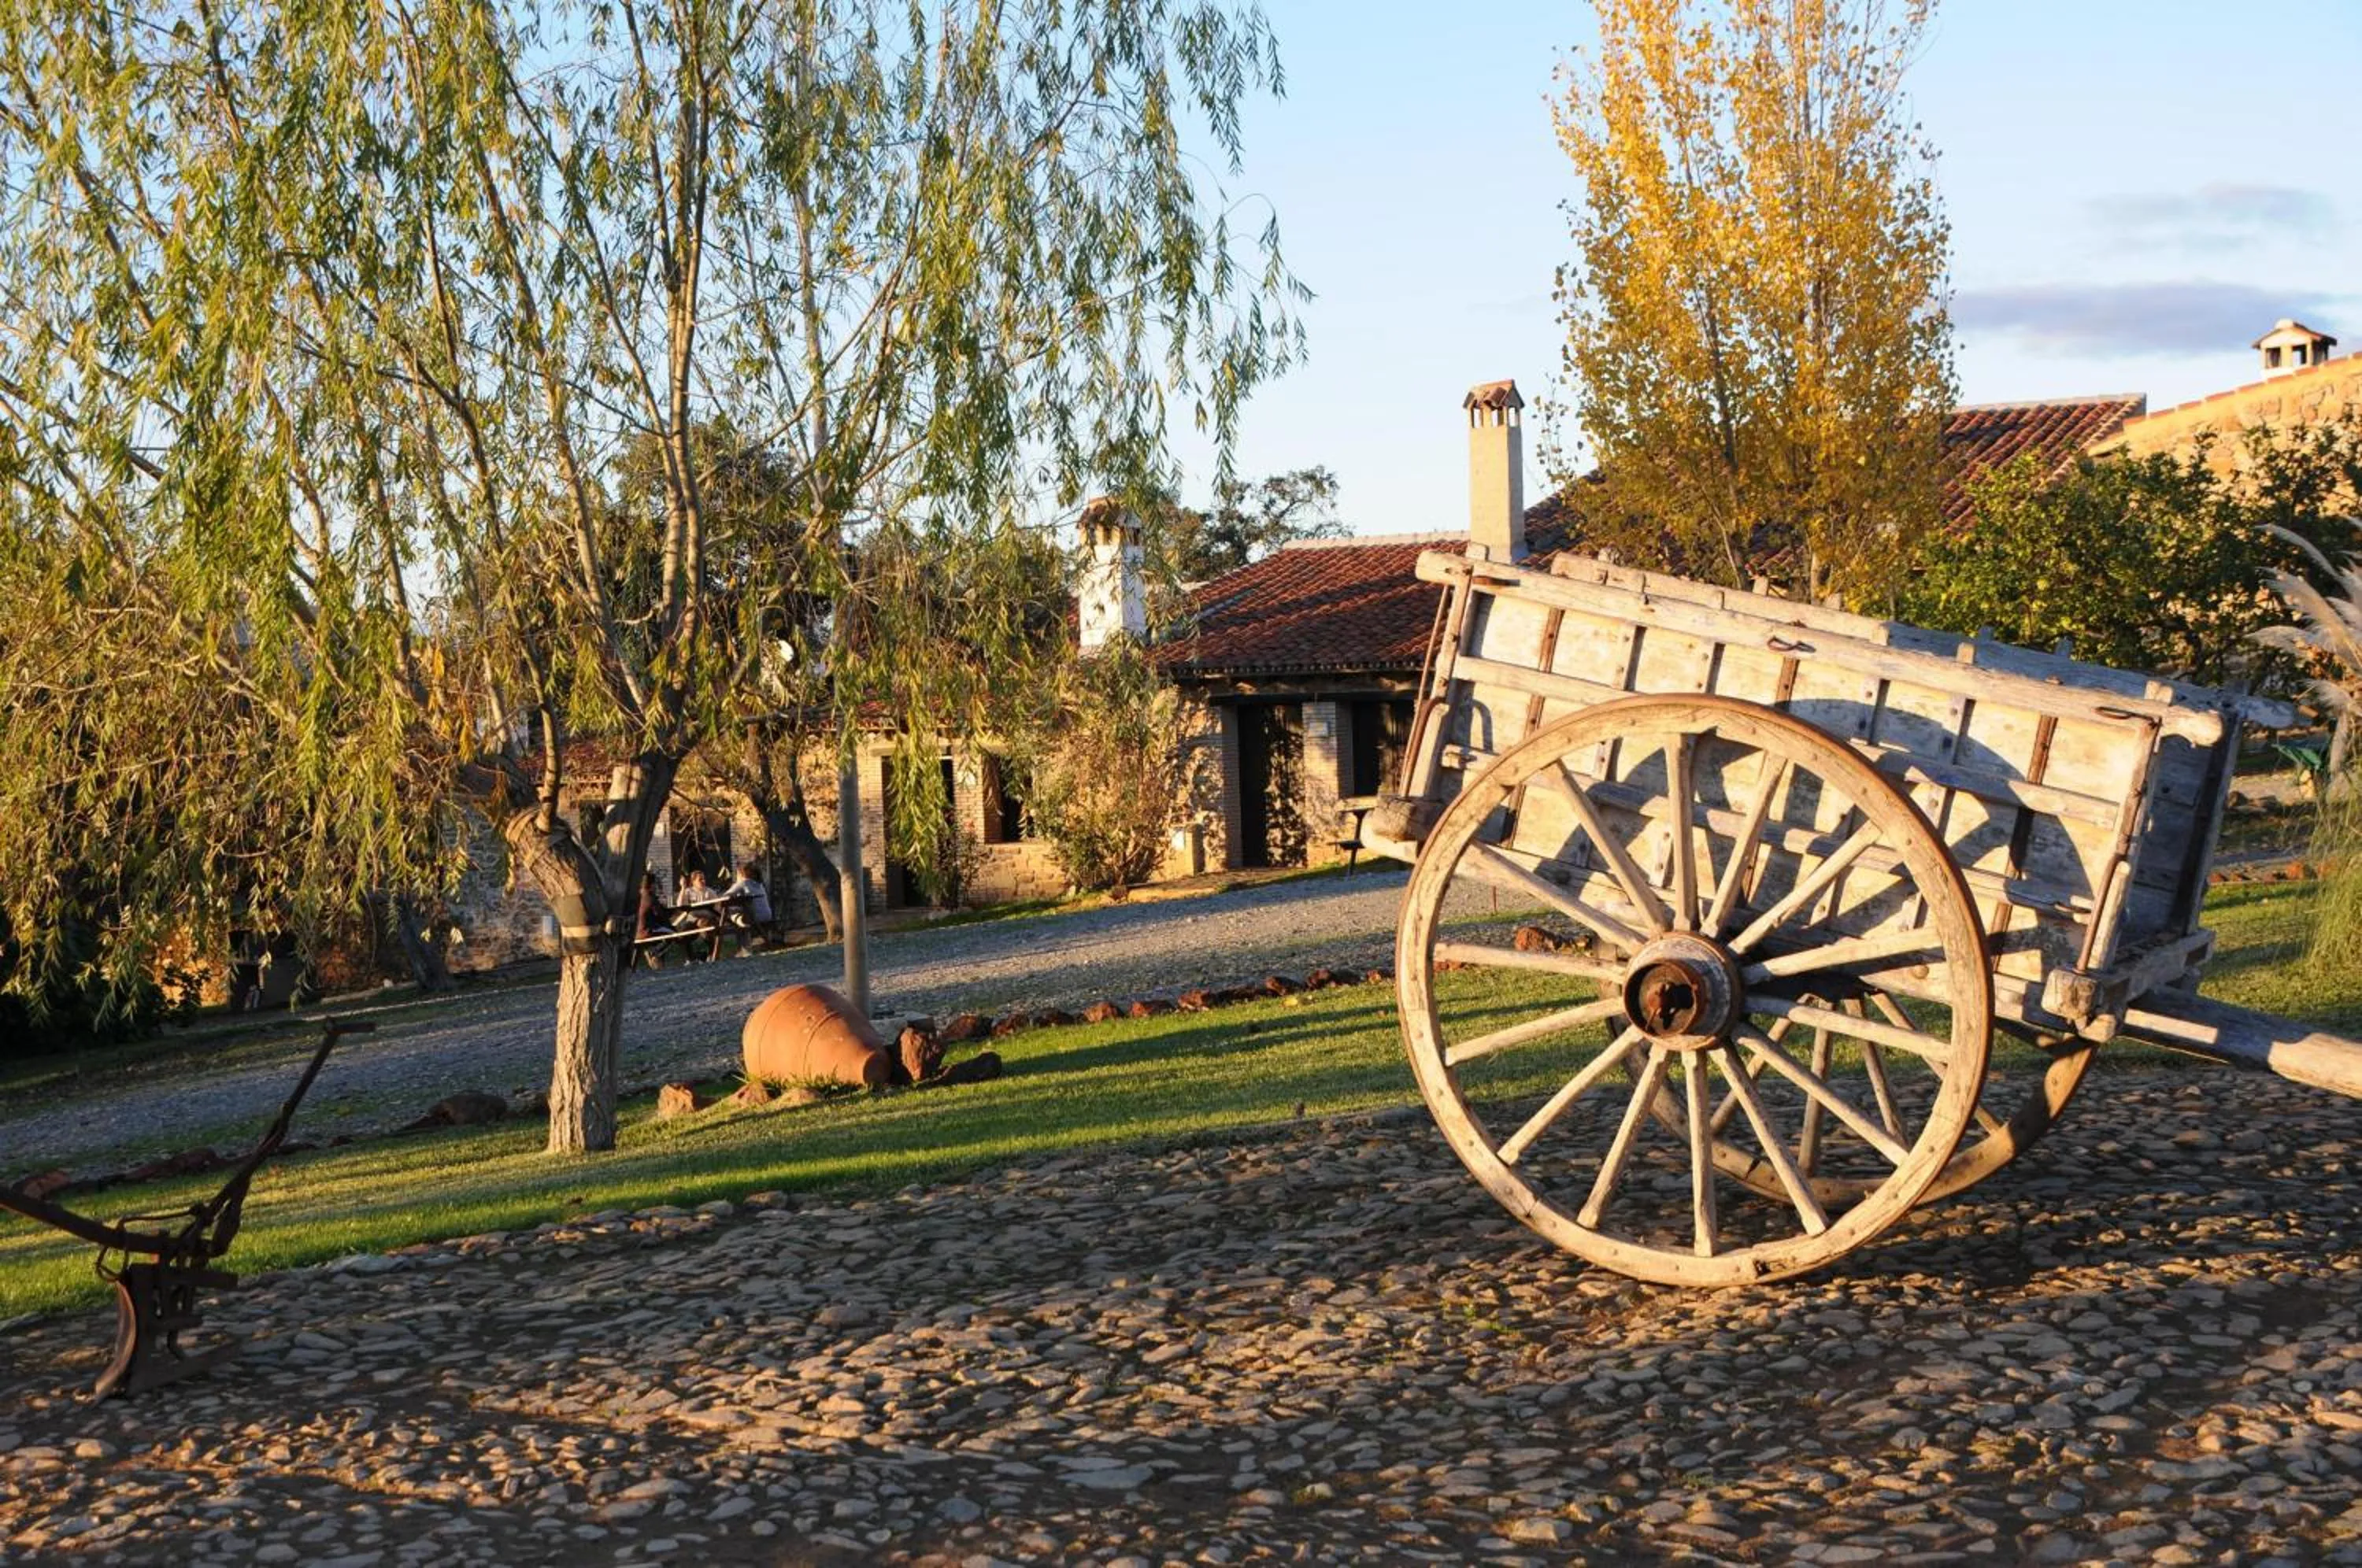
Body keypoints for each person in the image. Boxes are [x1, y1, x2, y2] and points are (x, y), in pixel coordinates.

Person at [721, 862, 772, 955]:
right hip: (767, 915)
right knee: (740, 913)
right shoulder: (759, 884)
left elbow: (724, 897)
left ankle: (745, 951)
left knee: (736, 917)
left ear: (740, 873)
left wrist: (737, 883)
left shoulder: (743, 883)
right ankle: (745, 950)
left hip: (755, 917)